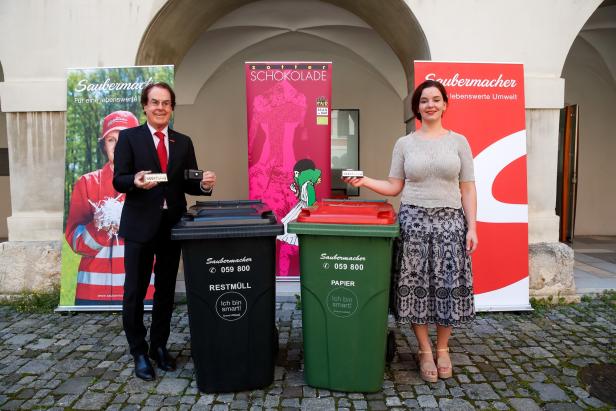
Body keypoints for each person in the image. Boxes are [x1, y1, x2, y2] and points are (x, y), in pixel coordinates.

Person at [344, 80, 477, 383]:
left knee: (447, 286)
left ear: (445, 104)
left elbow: (467, 187)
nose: (430, 105)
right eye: (424, 100)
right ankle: (424, 350)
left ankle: (443, 348)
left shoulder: (459, 142)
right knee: (415, 287)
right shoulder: (405, 144)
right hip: (414, 222)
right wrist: (364, 181)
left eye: (436, 99)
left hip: (450, 223)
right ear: (417, 107)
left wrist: (473, 227)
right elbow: (395, 186)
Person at [113, 82, 217, 381]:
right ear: (144, 106)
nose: (161, 108)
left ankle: (159, 345)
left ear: (172, 108)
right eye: (155, 102)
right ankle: (138, 351)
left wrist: (205, 184)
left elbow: (188, 181)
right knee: (134, 291)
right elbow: (118, 180)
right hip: (139, 227)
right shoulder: (129, 138)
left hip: (172, 226)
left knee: (166, 291)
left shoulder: (182, 141)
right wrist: (135, 180)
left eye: (166, 103)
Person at [65, 110, 155, 306]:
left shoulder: (155, 179)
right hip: (92, 293)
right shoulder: (86, 182)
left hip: (144, 290)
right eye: (111, 140)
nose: (119, 145)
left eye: (125, 138)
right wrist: (100, 227)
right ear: (104, 146)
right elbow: (74, 241)